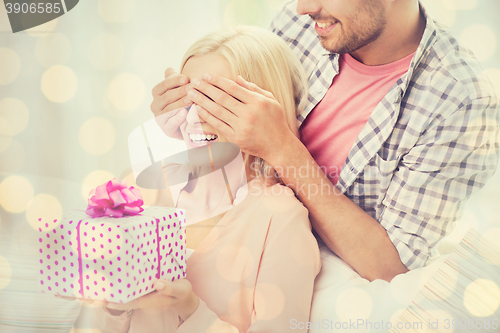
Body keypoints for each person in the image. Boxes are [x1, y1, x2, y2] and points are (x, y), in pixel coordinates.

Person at [150, 0, 500, 282]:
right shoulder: (305, 21)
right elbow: (239, 158)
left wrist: (283, 149)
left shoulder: (462, 101)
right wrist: (188, 121)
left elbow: (391, 267)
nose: (302, 7)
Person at [99, 26, 321, 332]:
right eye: (188, 100)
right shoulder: (147, 188)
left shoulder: (279, 217)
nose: (192, 118)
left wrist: (189, 308)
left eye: (214, 101)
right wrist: (110, 305)